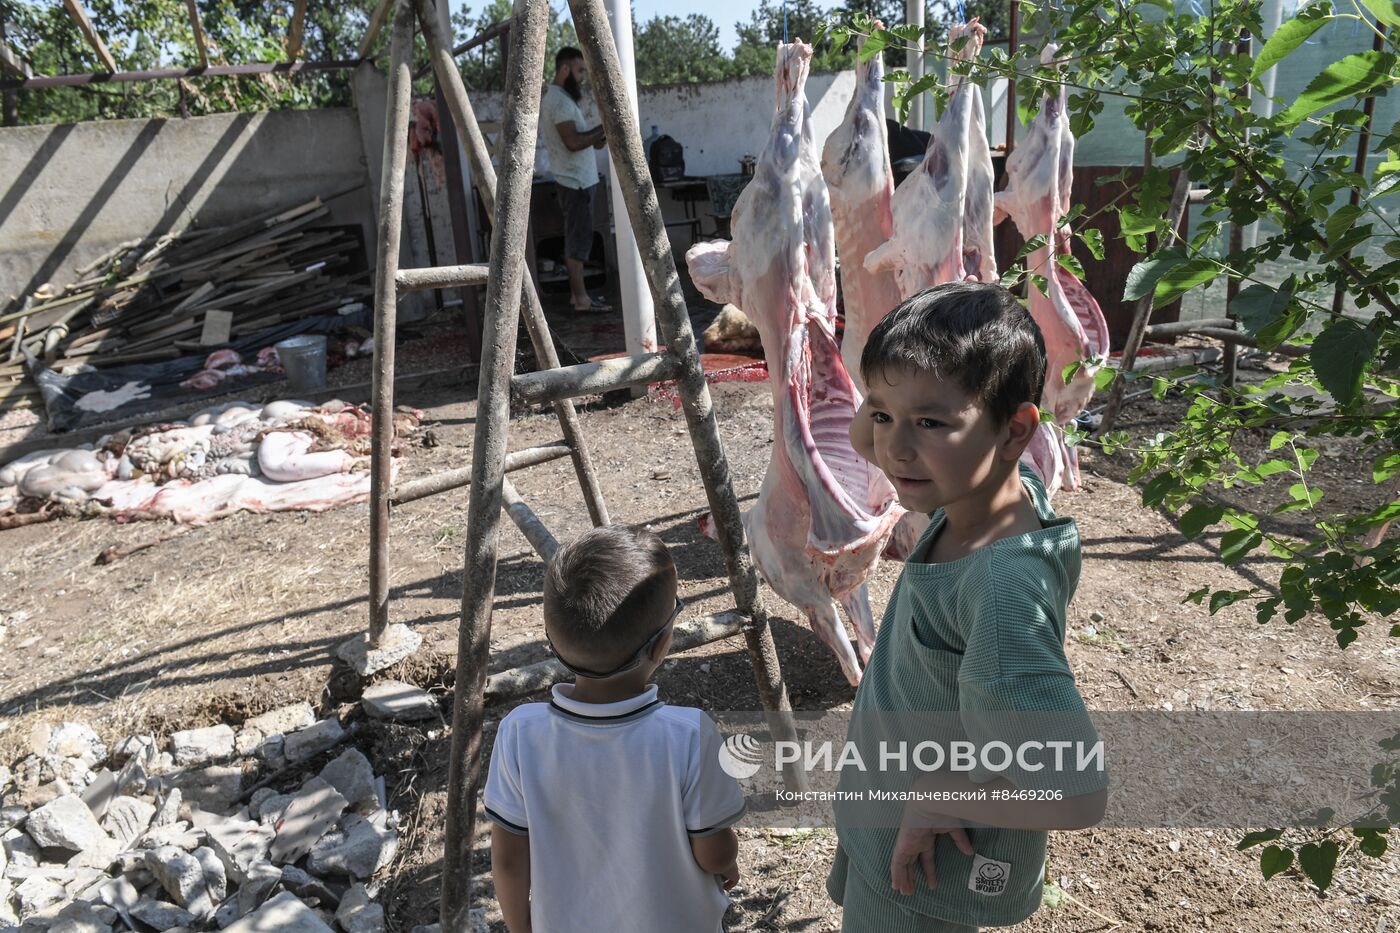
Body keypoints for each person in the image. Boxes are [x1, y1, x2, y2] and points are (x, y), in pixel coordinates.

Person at [827, 282, 1108, 932]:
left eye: (929, 421)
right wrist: (898, 396)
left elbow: (1078, 792)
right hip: (892, 817)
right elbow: (870, 437)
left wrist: (940, 800)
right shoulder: (994, 490)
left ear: (1014, 429)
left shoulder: (1002, 592)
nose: (893, 448)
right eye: (883, 413)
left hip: (922, 877)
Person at [485, 524, 746, 933]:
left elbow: (508, 859)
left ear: (550, 638)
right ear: (662, 644)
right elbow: (712, 852)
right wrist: (727, 859)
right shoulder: (688, 735)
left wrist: (521, 929)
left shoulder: (520, 734)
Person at [539, 46, 612, 313]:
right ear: (565, 69)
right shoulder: (558, 101)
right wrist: (604, 128)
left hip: (579, 180)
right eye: (579, 70)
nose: (582, 77)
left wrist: (598, 134)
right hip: (575, 183)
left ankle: (579, 297)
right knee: (577, 243)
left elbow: (584, 140)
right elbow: (573, 142)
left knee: (579, 241)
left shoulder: (562, 100)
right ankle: (580, 299)